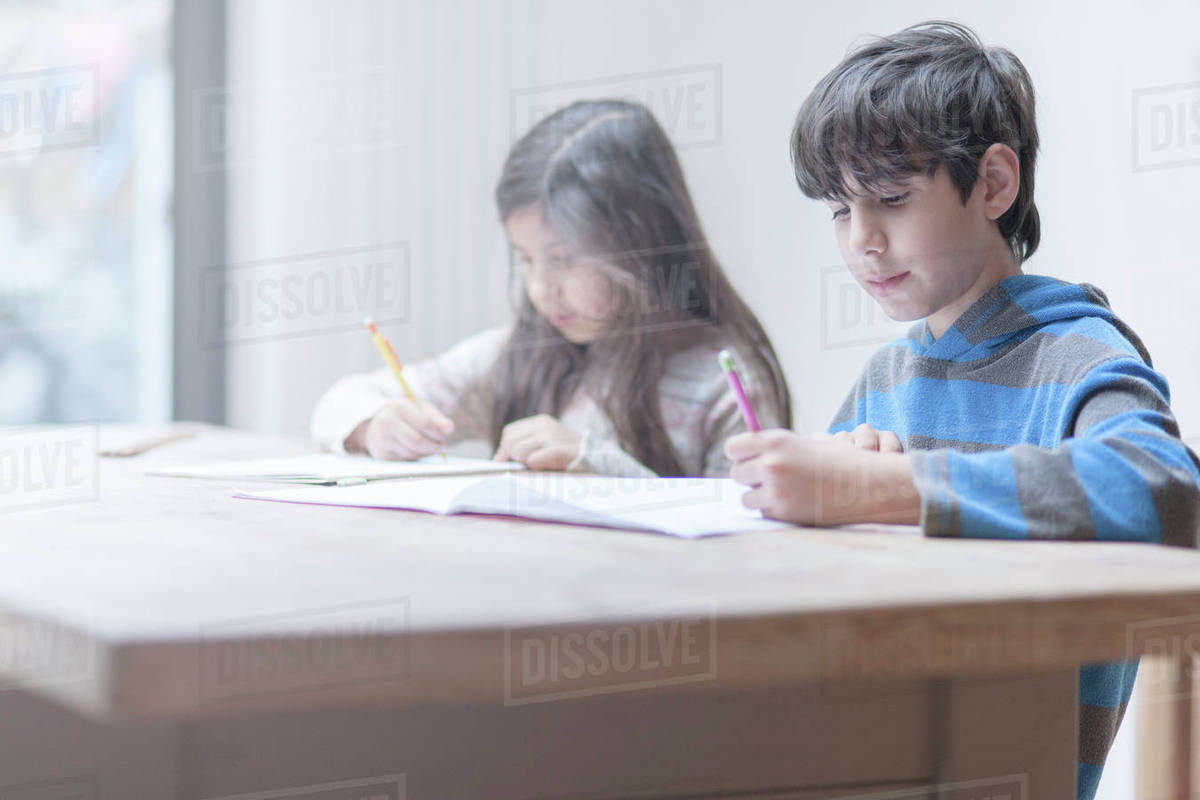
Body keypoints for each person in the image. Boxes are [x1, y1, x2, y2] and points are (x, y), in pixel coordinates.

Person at [312, 99, 791, 477]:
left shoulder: (725, 382)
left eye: (563, 260)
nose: (542, 288)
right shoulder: (522, 354)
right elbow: (340, 401)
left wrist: (594, 463)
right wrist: (374, 425)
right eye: (526, 259)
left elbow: (747, 531)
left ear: (642, 243)